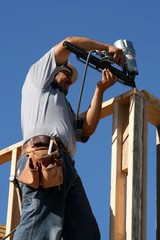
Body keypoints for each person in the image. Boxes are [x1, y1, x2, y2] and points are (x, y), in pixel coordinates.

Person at [13, 36, 125, 240]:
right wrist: (107, 48)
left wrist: (100, 90)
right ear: (53, 71)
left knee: (86, 233)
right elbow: (70, 42)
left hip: (65, 168)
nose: (69, 82)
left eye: (71, 79)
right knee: (39, 229)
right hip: (44, 158)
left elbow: (87, 128)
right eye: (65, 74)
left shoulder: (64, 108)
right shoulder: (38, 81)